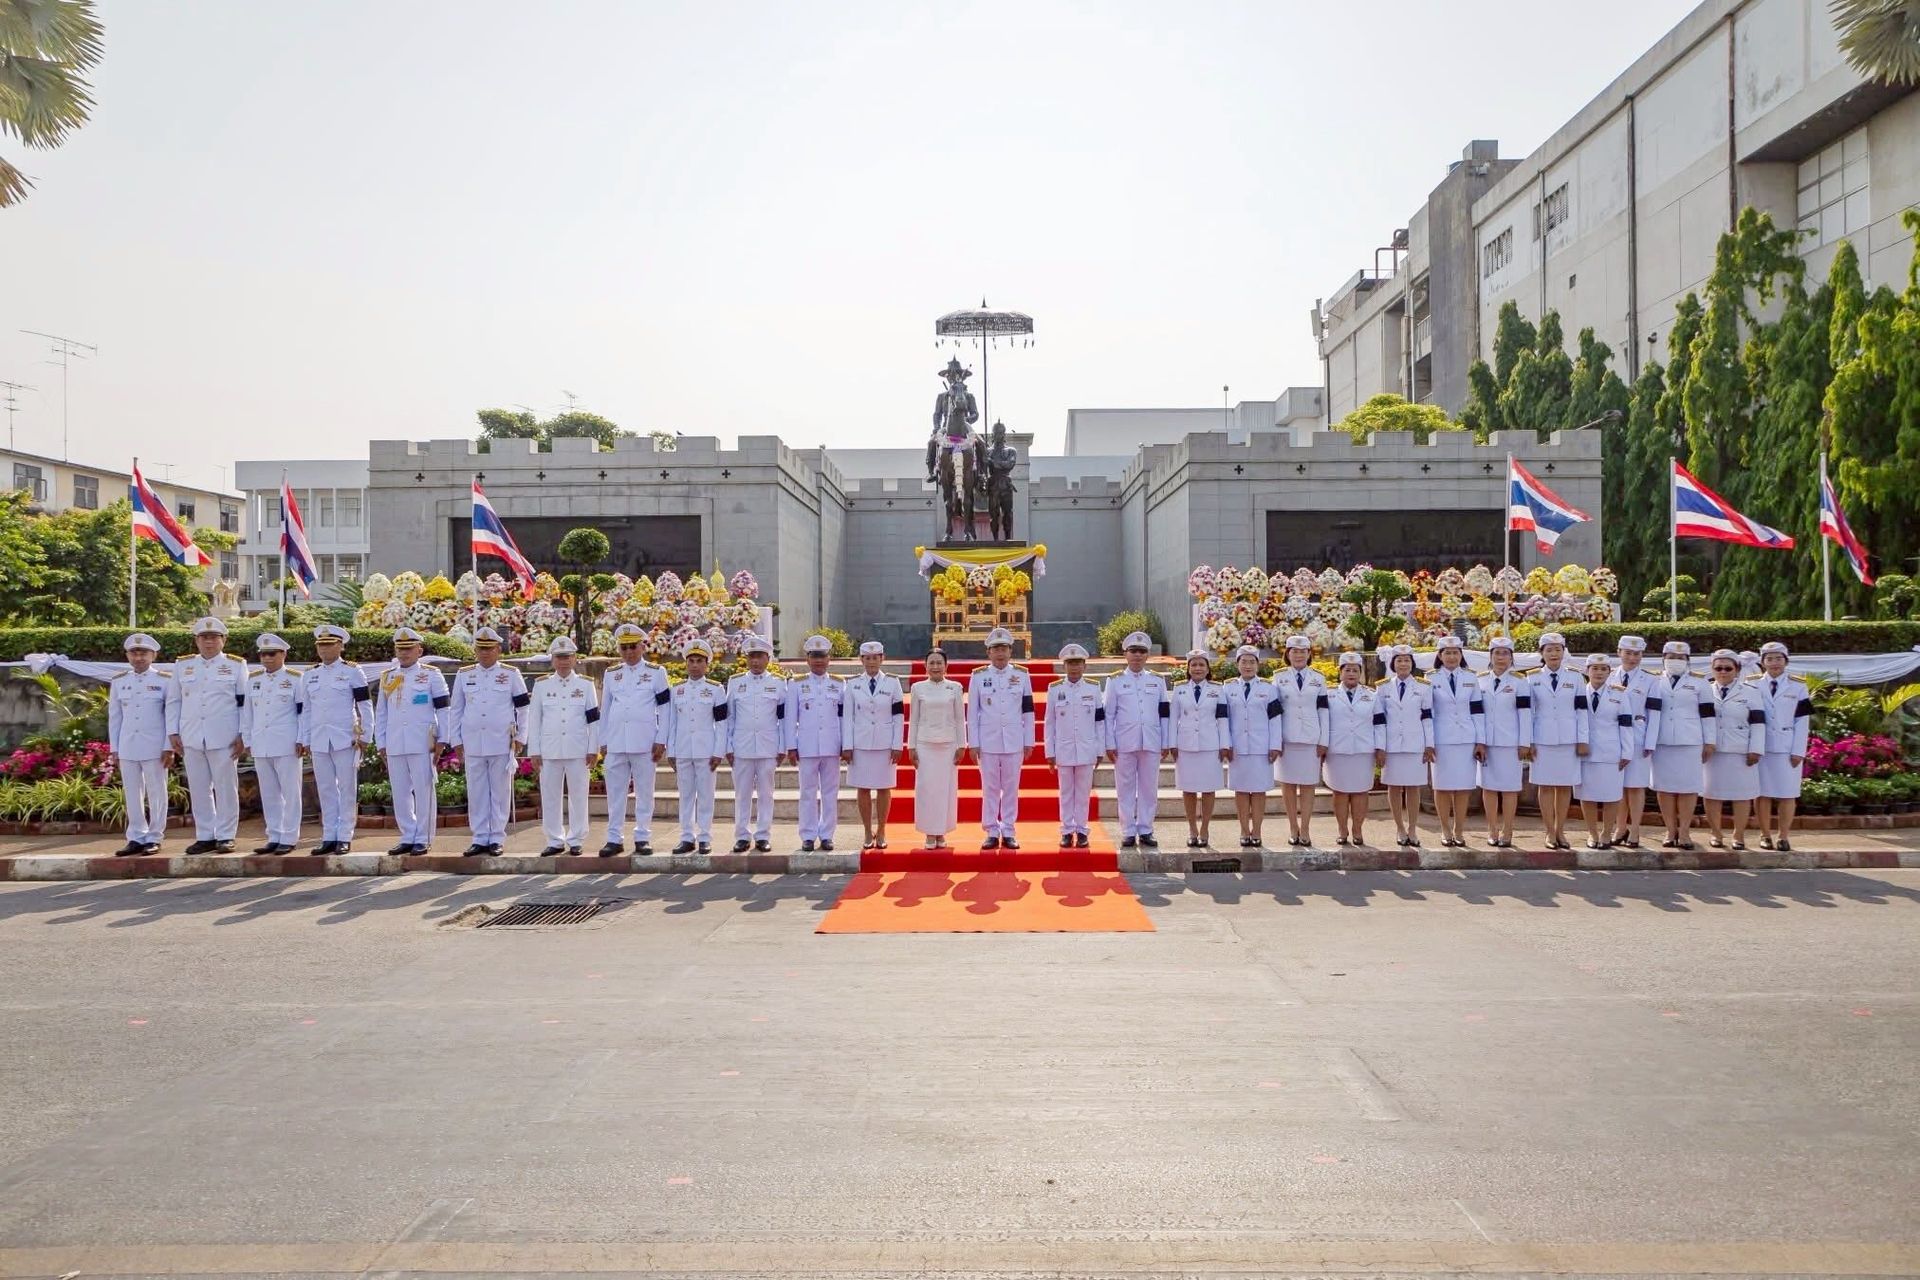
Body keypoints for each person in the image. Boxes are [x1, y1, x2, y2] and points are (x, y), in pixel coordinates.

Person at [447, 625, 527, 857]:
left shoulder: (511, 674)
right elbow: (456, 709)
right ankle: (480, 837)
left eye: (489, 648)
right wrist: (456, 740)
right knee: (477, 791)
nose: (484, 653)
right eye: (480, 649)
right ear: (475, 650)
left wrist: (521, 737)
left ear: (498, 650)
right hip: (473, 741)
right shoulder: (464, 675)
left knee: (500, 792)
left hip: (501, 741)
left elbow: (523, 708)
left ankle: (497, 837)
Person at [171, 615, 249, 854]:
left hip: (224, 736)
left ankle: (226, 835)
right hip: (191, 735)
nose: (209, 642)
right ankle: (205, 835)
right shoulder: (183, 666)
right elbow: (174, 701)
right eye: (204, 637)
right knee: (198, 788)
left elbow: (244, 703)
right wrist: (172, 732)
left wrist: (243, 733)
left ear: (223, 640)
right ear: (196, 640)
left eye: (214, 637)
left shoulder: (236, 665)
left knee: (225, 788)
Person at [373, 627, 450, 855]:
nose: (404, 653)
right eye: (400, 649)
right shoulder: (388, 677)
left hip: (422, 742)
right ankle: (407, 835)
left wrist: (443, 739)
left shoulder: (431, 675)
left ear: (419, 651)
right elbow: (382, 712)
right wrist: (381, 743)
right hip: (395, 741)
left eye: (409, 648)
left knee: (424, 790)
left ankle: (424, 837)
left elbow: (444, 709)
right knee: (400, 792)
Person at [598, 622, 672, 856]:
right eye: (624, 647)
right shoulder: (612, 674)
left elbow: (666, 708)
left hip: (644, 742)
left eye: (633, 646)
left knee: (644, 792)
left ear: (642, 646)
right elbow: (605, 708)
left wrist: (661, 738)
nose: (629, 652)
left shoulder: (656, 672)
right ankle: (614, 838)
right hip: (617, 741)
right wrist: (603, 741)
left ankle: (642, 837)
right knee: (615, 793)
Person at [298, 624, 369, 853]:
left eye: (329, 645)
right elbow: (306, 710)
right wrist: (305, 739)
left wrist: (366, 735)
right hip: (319, 738)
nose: (324, 649)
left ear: (340, 646)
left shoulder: (352, 671)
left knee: (347, 787)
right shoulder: (310, 674)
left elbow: (365, 705)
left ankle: (345, 835)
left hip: (345, 737)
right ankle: (329, 835)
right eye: (321, 645)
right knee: (326, 788)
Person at [526, 635, 598, 855]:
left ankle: (576, 839)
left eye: (567, 657)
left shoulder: (586, 685)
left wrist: (593, 748)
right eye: (559, 657)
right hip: (550, 750)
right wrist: (534, 750)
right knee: (550, 797)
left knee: (579, 796)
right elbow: (534, 719)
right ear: (552, 660)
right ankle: (554, 840)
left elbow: (593, 721)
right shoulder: (542, 685)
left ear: (575, 658)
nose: (563, 661)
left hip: (578, 749)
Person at [967, 627, 1035, 849]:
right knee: (990, 788)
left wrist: (1029, 740)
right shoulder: (978, 676)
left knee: (1011, 787)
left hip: (1014, 740)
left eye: (1004, 648)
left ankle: (1008, 830)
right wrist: (973, 743)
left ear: (1010, 651)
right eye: (995, 649)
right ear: (988, 652)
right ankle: (991, 830)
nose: (1000, 653)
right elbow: (972, 713)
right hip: (988, 741)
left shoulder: (1022, 675)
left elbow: (1028, 710)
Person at [108, 633, 174, 855]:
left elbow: (170, 716)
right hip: (128, 745)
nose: (138, 657)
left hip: (155, 745)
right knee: (132, 793)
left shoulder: (164, 680)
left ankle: (154, 836)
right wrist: (115, 748)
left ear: (153, 655)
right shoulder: (119, 681)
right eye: (134, 653)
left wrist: (168, 746)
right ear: (127, 655)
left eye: (143, 653)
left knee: (157, 792)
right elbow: (115, 717)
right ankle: (136, 836)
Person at [1104, 630, 1170, 849]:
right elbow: (1109, 714)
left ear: (1147, 655)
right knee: (1125, 788)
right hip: (1124, 742)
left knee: (1149, 788)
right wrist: (1109, 743)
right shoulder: (1115, 681)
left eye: (1142, 651)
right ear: (1125, 654)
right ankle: (1128, 831)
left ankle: (1146, 829)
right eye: (1133, 651)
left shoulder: (1157, 680)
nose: (1137, 655)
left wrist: (1165, 741)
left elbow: (1164, 713)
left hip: (1151, 741)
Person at [1524, 632, 1588, 851]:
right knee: (1545, 785)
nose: (1554, 654)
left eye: (1558, 649)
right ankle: (1549, 831)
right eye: (1549, 650)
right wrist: (1528, 741)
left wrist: (1582, 739)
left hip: (1568, 739)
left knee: (1564, 786)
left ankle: (1560, 830)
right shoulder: (1532, 678)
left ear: (1563, 652)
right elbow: (1529, 713)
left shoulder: (1576, 677)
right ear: (1541, 653)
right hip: (1542, 739)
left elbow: (1582, 711)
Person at [1650, 640, 1716, 851]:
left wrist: (1710, 741)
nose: (1676, 661)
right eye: (1671, 657)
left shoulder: (1700, 682)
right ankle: (1670, 831)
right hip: (1661, 741)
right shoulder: (1653, 681)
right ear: (1663, 659)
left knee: (1689, 787)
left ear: (1688, 660)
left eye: (1680, 658)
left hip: (1690, 741)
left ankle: (1685, 831)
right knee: (1664, 788)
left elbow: (1708, 714)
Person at [242, 632, 303, 854]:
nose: (267, 658)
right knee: (268, 793)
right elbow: (247, 713)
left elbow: (302, 712)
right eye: (263, 654)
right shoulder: (253, 679)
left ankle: (289, 836)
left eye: (272, 654)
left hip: (287, 743)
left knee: (290, 792)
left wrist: (301, 738)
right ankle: (274, 835)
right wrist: (247, 739)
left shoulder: (296, 678)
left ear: (283, 654)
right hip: (261, 743)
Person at [843, 640, 904, 851]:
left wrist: (897, 744)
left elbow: (898, 716)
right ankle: (868, 831)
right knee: (863, 788)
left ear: (882, 658)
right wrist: (847, 745)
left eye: (875, 658)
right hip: (860, 744)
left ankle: (882, 830)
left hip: (885, 744)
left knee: (884, 788)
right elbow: (847, 717)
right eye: (867, 658)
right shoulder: (852, 684)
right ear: (861, 660)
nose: (871, 662)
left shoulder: (892, 683)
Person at [787, 634, 846, 853]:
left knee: (830, 792)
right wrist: (791, 746)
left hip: (832, 746)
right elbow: (790, 718)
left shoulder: (839, 684)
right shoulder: (796, 684)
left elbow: (843, 717)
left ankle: (827, 834)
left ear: (829, 658)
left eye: (822, 656)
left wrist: (846, 745)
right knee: (807, 793)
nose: (819, 661)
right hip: (807, 746)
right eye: (814, 656)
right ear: (807, 659)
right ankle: (808, 835)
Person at [1751, 641, 1812, 852]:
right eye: (1769, 659)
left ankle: (1783, 836)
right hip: (1761, 747)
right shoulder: (1752, 684)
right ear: (1762, 663)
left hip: (1787, 748)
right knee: (1762, 794)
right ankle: (1765, 835)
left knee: (1787, 794)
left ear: (1786, 661)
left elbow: (1802, 721)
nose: (1774, 663)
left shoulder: (1798, 686)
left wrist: (1798, 751)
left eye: (1778, 658)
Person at [667, 640, 727, 854]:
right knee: (685, 795)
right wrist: (671, 751)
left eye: (699, 661)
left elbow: (722, 724)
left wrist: (718, 751)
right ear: (685, 663)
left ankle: (704, 837)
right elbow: (672, 722)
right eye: (691, 661)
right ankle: (686, 837)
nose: (694, 665)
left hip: (706, 751)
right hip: (683, 750)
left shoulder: (715, 689)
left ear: (707, 664)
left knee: (705, 795)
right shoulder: (677, 690)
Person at [1702, 647, 1765, 849]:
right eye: (1718, 668)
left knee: (1742, 795)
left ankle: (1738, 835)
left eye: (1728, 668)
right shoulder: (1704, 690)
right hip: (1712, 752)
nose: (1723, 672)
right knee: (1711, 794)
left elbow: (1758, 723)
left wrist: (1756, 749)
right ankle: (1716, 833)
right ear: (1712, 670)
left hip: (1741, 750)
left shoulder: (1751, 692)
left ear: (1737, 669)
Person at [1271, 634, 1330, 848]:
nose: (1298, 655)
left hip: (1310, 739)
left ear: (1309, 654)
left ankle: (1305, 828)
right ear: (1287, 654)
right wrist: (1275, 741)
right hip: (1286, 739)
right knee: (1288, 785)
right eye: (1294, 651)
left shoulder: (1318, 678)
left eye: (1302, 651)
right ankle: (1292, 827)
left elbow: (1323, 711)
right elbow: (1274, 712)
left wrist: (1324, 740)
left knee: (1307, 785)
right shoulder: (1278, 677)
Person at [726, 636, 784, 853]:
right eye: (751, 657)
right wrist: (728, 746)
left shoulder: (778, 683)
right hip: (742, 747)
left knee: (766, 794)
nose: (755, 661)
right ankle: (742, 835)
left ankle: (763, 835)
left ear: (768, 658)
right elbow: (730, 717)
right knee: (742, 794)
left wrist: (782, 746)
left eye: (759, 656)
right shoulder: (735, 682)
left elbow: (783, 719)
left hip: (768, 747)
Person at [1044, 642, 1103, 849]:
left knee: (1083, 792)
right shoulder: (1055, 689)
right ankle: (1067, 831)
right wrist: (1049, 751)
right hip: (1064, 748)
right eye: (1070, 663)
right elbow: (1049, 723)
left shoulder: (1093, 688)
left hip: (1087, 748)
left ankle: (1082, 830)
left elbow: (1099, 721)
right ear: (1064, 666)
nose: (1074, 667)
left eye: (1078, 663)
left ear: (1084, 666)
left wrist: (1099, 749)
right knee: (1066, 792)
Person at [1170, 649, 1230, 849]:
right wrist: (1172, 744)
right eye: (1194, 665)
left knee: (1208, 789)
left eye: (1201, 665)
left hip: (1210, 746)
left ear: (1207, 668)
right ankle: (1192, 829)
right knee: (1188, 789)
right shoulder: (1179, 689)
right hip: (1185, 746)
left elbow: (1223, 719)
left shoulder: (1217, 690)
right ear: (1188, 668)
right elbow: (1173, 719)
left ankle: (1205, 828)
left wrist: (1224, 745)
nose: (1197, 668)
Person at [1427, 637, 1484, 849]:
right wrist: (1429, 742)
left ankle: (1459, 830)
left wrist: (1480, 741)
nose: (1452, 657)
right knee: (1442, 787)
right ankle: (1445, 829)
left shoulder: (1471, 677)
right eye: (1447, 653)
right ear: (1440, 656)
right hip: (1441, 740)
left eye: (1455, 652)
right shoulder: (1430, 678)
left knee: (1463, 788)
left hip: (1466, 739)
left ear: (1461, 655)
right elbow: (1428, 713)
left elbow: (1477, 711)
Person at [1221, 645, 1280, 849]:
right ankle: (1244, 830)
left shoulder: (1269, 689)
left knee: (1259, 790)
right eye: (1244, 662)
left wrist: (1275, 745)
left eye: (1252, 662)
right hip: (1237, 748)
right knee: (1241, 790)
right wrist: (1226, 744)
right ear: (1237, 664)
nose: (1248, 666)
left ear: (1258, 664)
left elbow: (1275, 720)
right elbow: (1224, 720)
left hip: (1261, 748)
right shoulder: (1227, 688)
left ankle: (1257, 831)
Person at [1375, 645, 1434, 848]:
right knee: (1393, 787)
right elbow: (1379, 720)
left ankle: (1413, 828)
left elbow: (1427, 718)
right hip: (1391, 745)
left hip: (1414, 744)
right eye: (1399, 660)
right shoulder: (1383, 687)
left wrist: (1429, 745)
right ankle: (1400, 828)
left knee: (1413, 787)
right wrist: (1380, 747)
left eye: (1407, 660)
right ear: (1393, 664)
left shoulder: (1423, 686)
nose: (1403, 664)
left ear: (1412, 663)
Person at [1575, 652, 1634, 850]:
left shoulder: (1619, 693)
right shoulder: (1579, 692)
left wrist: (1627, 752)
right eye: (1594, 668)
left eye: (1603, 669)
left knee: (1611, 795)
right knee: (1587, 795)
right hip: (1585, 751)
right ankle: (1592, 833)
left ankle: (1607, 833)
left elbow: (1626, 724)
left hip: (1611, 752)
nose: (1599, 672)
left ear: (1610, 672)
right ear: (1587, 671)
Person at [907, 648, 965, 849]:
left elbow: (960, 719)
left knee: (946, 790)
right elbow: (914, 719)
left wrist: (962, 745)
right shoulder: (918, 688)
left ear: (946, 665)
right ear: (925, 666)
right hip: (925, 745)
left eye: (939, 662)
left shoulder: (955, 688)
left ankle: (941, 832)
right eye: (931, 663)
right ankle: (929, 833)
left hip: (948, 746)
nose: (935, 666)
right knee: (926, 790)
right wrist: (911, 746)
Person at [1477, 636, 1530, 849]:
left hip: (1510, 743)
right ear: (1490, 657)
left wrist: (1524, 742)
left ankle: (1507, 830)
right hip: (1487, 743)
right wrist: (1479, 741)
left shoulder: (1520, 682)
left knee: (1509, 788)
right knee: (1488, 787)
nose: (1501, 657)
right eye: (1497, 653)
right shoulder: (1480, 680)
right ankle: (1492, 829)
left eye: (1505, 653)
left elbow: (1525, 714)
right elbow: (1477, 714)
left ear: (1511, 657)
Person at [1610, 635, 1661, 848]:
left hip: (1639, 737)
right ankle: (1620, 827)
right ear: (1619, 652)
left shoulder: (1650, 679)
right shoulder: (1609, 675)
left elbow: (1654, 713)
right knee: (1618, 786)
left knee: (1636, 786)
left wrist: (1650, 742)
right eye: (1628, 653)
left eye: (1637, 654)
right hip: (1613, 738)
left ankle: (1635, 830)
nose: (1632, 658)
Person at [1322, 652, 1376, 847]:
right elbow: (1323, 722)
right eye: (1347, 670)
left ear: (1360, 673)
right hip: (1337, 749)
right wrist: (1323, 745)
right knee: (1340, 792)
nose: (1351, 673)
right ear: (1340, 673)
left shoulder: (1372, 695)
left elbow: (1379, 723)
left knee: (1361, 791)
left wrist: (1381, 748)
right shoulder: (1329, 694)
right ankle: (1342, 829)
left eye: (1355, 670)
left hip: (1363, 750)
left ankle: (1358, 830)